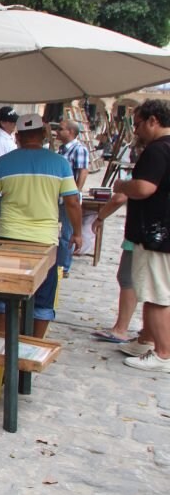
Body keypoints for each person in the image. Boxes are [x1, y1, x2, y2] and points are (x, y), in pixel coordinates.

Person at [0, 113, 82, 337]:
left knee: (2, 292)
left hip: (9, 237)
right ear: (43, 134)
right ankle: (33, 343)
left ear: (18, 137)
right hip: (44, 240)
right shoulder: (60, 164)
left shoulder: (2, 163)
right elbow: (72, 202)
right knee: (43, 297)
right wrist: (77, 233)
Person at [112, 99, 170, 372]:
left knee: (156, 294)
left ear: (153, 121)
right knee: (153, 288)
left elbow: (145, 188)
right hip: (159, 232)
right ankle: (147, 339)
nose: (135, 131)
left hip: (155, 234)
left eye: (137, 124)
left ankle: (162, 353)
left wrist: (123, 185)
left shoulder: (158, 150)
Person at [89, 193, 141, 344]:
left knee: (127, 279)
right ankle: (150, 331)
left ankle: (121, 329)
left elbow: (120, 197)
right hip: (154, 235)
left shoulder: (147, 174)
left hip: (142, 235)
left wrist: (100, 217)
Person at [55, 119, 90, 276]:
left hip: (69, 198)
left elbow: (82, 171)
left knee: (67, 233)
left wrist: (75, 192)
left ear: (71, 132)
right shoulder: (62, 149)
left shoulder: (79, 149)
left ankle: (64, 266)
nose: (58, 132)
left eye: (61, 129)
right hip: (59, 197)